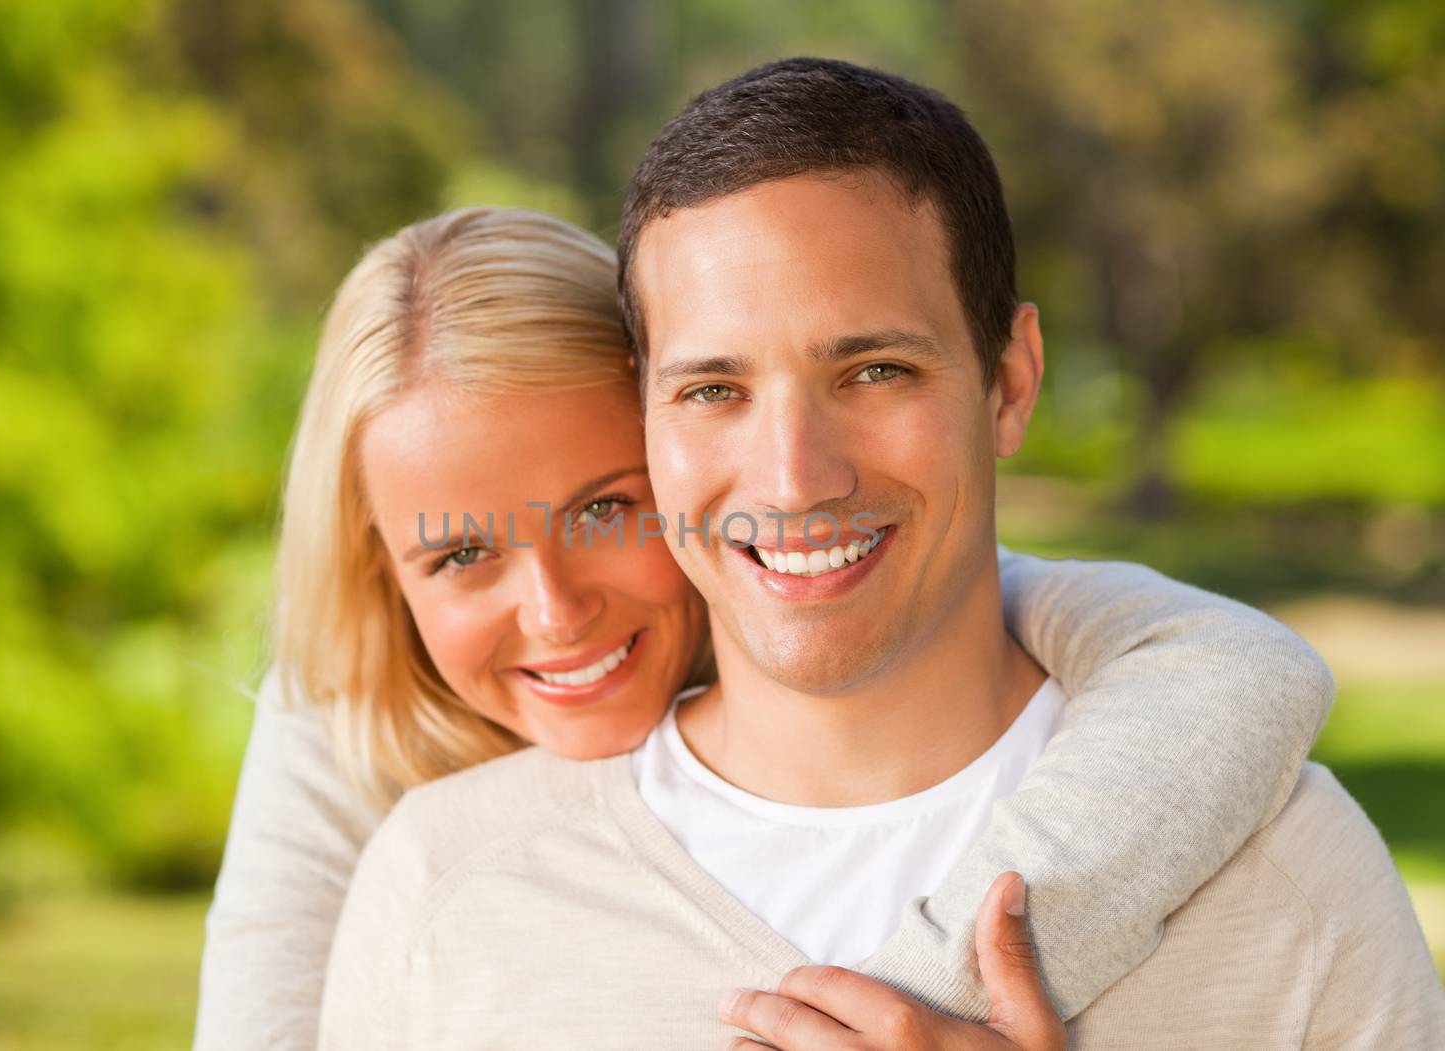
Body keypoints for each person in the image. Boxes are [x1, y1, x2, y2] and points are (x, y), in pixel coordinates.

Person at [316, 60, 1445, 1049]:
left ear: (1009, 381)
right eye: (714, 389)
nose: (795, 476)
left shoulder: (1284, 877)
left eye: (874, 373)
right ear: (649, 422)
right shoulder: (446, 888)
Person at [191, 208, 1328, 1049]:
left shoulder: (845, 592)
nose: (552, 611)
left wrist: (925, 997)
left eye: (604, 508)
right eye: (457, 553)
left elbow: (1234, 667)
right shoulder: (350, 735)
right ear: (381, 575)